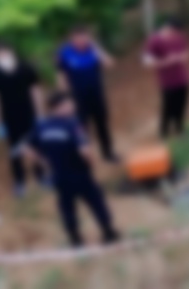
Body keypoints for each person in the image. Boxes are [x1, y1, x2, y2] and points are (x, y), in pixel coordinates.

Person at [22, 92, 119, 248]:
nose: (73, 107)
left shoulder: (42, 126)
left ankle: (75, 238)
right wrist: (92, 163)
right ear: (58, 107)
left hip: (59, 176)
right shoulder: (73, 124)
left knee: (67, 207)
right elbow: (84, 151)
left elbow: (27, 149)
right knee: (96, 202)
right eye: (69, 104)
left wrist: (43, 162)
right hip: (80, 174)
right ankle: (108, 232)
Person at [0, 42, 47, 197]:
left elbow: (35, 91)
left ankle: (41, 175)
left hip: (29, 113)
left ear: (12, 51)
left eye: (5, 51)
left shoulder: (26, 68)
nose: (2, 54)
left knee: (35, 144)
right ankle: (19, 181)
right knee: (14, 150)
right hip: (9, 117)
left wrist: (40, 113)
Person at [56, 26, 117, 162]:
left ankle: (108, 152)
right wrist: (66, 96)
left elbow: (109, 64)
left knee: (102, 123)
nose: (82, 41)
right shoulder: (64, 53)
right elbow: (61, 76)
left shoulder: (93, 50)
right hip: (78, 97)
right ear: (72, 39)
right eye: (78, 38)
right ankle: (85, 156)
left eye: (85, 37)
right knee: (82, 127)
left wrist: (97, 49)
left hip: (96, 93)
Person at [143, 18, 189, 140]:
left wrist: (182, 57)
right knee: (168, 107)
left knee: (181, 105)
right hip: (167, 81)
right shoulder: (155, 40)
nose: (177, 36)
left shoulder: (179, 38)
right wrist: (166, 62)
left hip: (182, 78)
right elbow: (147, 61)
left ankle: (179, 129)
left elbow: (187, 52)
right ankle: (164, 131)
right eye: (175, 33)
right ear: (168, 28)